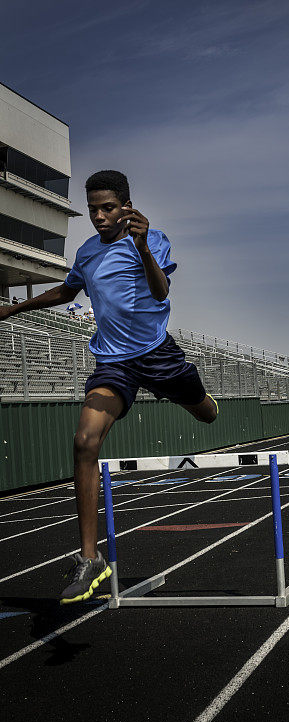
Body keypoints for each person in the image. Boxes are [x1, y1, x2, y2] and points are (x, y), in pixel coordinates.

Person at [0, 170, 218, 603]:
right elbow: (67, 291)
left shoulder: (152, 239)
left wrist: (141, 246)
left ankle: (200, 399)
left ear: (127, 206)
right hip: (113, 362)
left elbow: (160, 293)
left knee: (205, 413)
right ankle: (89, 557)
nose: (99, 216)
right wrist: (15, 308)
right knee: (85, 441)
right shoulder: (86, 252)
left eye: (108, 208)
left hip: (158, 355)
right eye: (94, 209)